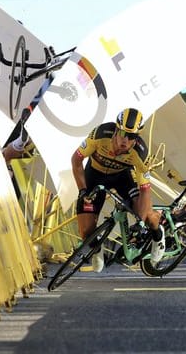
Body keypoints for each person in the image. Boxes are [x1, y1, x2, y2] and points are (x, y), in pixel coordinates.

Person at [71, 108, 165, 272]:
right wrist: (82, 190)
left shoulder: (140, 153)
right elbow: (76, 160)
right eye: (122, 133)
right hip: (94, 175)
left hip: (123, 178)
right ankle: (97, 250)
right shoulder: (100, 134)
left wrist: (141, 222)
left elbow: (145, 191)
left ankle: (158, 235)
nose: (125, 140)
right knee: (86, 232)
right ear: (116, 129)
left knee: (147, 215)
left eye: (132, 137)